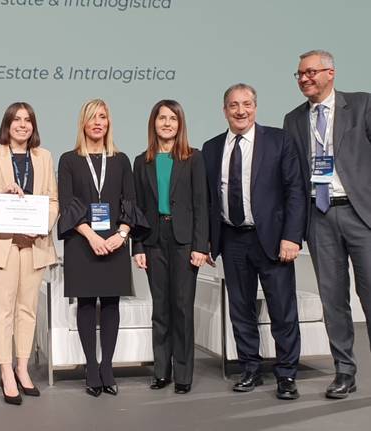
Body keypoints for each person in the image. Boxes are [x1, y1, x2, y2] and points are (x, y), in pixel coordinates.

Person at [202, 84, 306, 400]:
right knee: (240, 309)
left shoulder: (278, 140)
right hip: (231, 239)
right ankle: (250, 368)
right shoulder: (211, 147)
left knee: (282, 310)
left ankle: (287, 375)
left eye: (246, 104)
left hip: (273, 241)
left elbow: (295, 192)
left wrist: (292, 236)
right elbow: (207, 199)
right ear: (224, 111)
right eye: (233, 105)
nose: (240, 111)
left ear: (256, 107)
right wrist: (208, 240)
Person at [283, 50, 371, 399]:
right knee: (333, 300)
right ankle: (344, 372)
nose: (305, 78)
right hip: (318, 216)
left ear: (331, 73)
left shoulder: (362, 105)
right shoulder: (292, 119)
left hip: (360, 214)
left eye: (311, 72)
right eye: (300, 74)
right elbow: (292, 178)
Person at [58, 99, 148, 397]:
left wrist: (121, 235)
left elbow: (130, 201)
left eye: (103, 117)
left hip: (115, 241)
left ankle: (107, 367)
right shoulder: (69, 160)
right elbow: (68, 203)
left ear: (109, 123)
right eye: (92, 117)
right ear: (82, 123)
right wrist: (91, 236)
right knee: (86, 303)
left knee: (111, 304)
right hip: (82, 242)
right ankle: (91, 367)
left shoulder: (121, 160)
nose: (98, 122)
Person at [0, 102, 58, 405]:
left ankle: (23, 368)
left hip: (34, 242)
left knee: (28, 309)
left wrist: (43, 226)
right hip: (1, 242)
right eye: (16, 119)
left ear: (33, 126)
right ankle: (6, 370)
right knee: (3, 310)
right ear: (7, 124)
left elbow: (53, 201)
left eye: (28, 120)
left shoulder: (44, 157)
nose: (22, 125)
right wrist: (1, 193)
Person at [132, 100, 208, 394]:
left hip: (184, 240)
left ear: (180, 124)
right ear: (153, 123)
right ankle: (162, 371)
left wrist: (200, 245)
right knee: (160, 309)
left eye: (172, 119)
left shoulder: (194, 158)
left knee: (182, 308)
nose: (167, 123)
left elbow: (201, 204)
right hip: (153, 239)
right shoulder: (143, 161)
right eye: (161, 118)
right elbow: (136, 208)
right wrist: (137, 246)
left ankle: (184, 374)